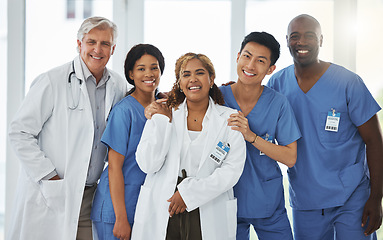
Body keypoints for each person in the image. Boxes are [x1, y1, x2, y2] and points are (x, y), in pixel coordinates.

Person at [8, 16, 127, 240]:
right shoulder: (52, 81)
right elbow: (20, 132)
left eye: (105, 44)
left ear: (113, 49)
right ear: (79, 44)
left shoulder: (118, 85)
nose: (97, 49)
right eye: (91, 42)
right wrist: (50, 177)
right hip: (52, 193)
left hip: (91, 195)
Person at [267, 14, 383, 240]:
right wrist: (230, 92)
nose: (301, 42)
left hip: (353, 197)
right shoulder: (277, 84)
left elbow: (374, 141)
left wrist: (376, 197)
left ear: (321, 40)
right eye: (295, 36)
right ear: (287, 41)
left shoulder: (348, 82)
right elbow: (254, 116)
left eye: (309, 36)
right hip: (306, 198)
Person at [130, 53, 246, 240]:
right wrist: (162, 122)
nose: (193, 79)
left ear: (211, 79)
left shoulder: (229, 119)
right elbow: (147, 164)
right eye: (186, 74)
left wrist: (188, 194)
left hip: (208, 201)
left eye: (199, 73)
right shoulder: (163, 112)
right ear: (179, 82)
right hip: (165, 201)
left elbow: (232, 170)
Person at [220, 31, 301, 240]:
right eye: (247, 56)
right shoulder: (217, 97)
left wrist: (251, 136)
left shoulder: (278, 103)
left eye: (260, 60)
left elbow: (290, 157)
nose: (250, 65)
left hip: (267, 202)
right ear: (237, 57)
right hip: (225, 200)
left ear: (270, 69)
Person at [90, 43, 165, 240]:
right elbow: (114, 167)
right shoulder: (124, 111)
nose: (148, 74)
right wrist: (120, 218)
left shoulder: (163, 106)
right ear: (131, 74)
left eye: (154, 67)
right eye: (141, 69)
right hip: (116, 209)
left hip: (143, 205)